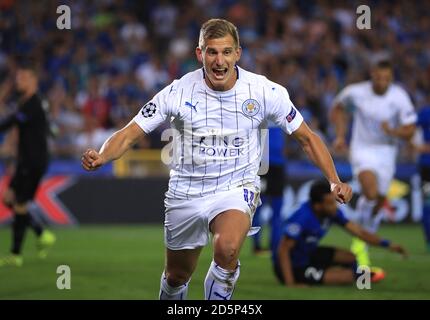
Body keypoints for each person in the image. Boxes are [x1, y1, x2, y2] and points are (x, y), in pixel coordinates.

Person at [81, 19, 352, 300]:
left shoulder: (265, 92)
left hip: (236, 187)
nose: (219, 60)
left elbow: (307, 137)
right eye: (211, 52)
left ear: (238, 53)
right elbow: (130, 133)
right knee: (176, 277)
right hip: (186, 191)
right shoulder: (178, 91)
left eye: (226, 52)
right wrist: (102, 156)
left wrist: (334, 181)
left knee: (227, 249)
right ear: (200, 54)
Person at [330, 60, 416, 268]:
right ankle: (361, 240)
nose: (381, 82)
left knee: (379, 200)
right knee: (370, 191)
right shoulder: (356, 92)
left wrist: (392, 132)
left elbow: (410, 130)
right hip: (362, 149)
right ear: (372, 75)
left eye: (385, 78)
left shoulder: (399, 97)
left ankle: (363, 237)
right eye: (378, 77)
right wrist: (340, 136)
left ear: (391, 78)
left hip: (387, 152)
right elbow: (338, 109)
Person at [274, 180, 407, 286]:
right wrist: (290, 283)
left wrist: (388, 244)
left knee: (351, 257)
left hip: (309, 254)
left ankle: (345, 275)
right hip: (293, 266)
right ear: (318, 205)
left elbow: (359, 232)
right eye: (330, 203)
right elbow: (283, 250)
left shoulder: (331, 213)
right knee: (347, 277)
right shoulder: (302, 218)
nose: (335, 206)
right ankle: (348, 276)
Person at [0, 60, 56, 267]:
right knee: (9, 199)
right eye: (17, 78)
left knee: (20, 204)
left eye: (22, 78)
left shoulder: (32, 104)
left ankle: (15, 255)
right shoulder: (31, 102)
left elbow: (10, 122)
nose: (18, 81)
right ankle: (41, 233)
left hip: (33, 161)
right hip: (27, 160)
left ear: (33, 80)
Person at [252, 124, 286, 255]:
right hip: (263, 164)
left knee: (277, 208)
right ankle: (257, 246)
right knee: (259, 206)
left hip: (277, 166)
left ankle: (274, 246)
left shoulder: (281, 110)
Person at [410, 104, 430, 252]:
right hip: (427, 167)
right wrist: (418, 146)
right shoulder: (426, 113)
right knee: (428, 204)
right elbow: (409, 129)